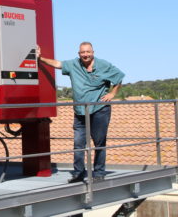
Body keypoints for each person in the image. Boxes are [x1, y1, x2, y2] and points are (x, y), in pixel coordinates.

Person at [37, 42, 124, 183]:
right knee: (78, 144)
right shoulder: (73, 65)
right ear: (79, 54)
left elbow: (118, 78)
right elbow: (58, 64)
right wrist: (40, 59)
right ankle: (78, 173)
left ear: (93, 52)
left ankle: (99, 173)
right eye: (82, 52)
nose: (85, 55)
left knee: (99, 143)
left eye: (88, 52)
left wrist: (113, 93)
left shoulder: (103, 65)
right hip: (80, 111)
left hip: (99, 110)